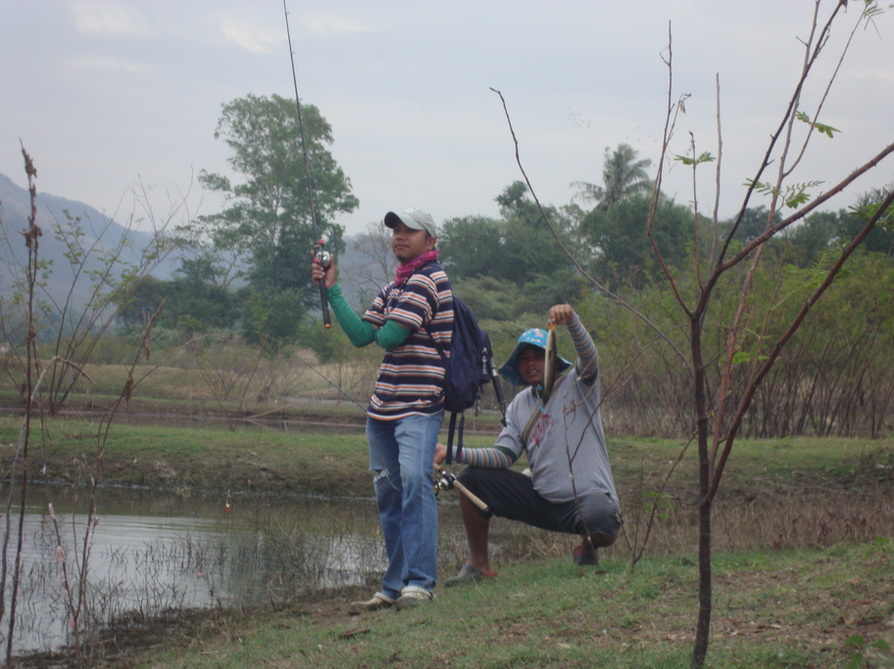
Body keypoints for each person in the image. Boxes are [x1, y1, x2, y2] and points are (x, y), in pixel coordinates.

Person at [311, 208, 452, 611]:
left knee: (414, 481)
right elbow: (360, 336)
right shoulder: (396, 286)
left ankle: (421, 582)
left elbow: (387, 336)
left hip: (420, 405)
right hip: (383, 408)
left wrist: (381, 322)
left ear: (431, 240)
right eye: (395, 230)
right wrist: (332, 289)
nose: (399, 236)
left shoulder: (429, 280)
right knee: (389, 494)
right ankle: (395, 585)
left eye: (410, 230)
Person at [435, 303, 621, 584]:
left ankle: (587, 546)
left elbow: (590, 357)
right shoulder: (519, 405)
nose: (532, 362)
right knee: (471, 479)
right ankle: (478, 566)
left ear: (553, 359)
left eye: (539, 356)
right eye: (525, 358)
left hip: (586, 500)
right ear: (517, 367)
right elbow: (503, 455)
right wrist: (450, 452)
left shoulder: (578, 384)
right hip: (542, 500)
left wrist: (572, 320)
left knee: (602, 520)